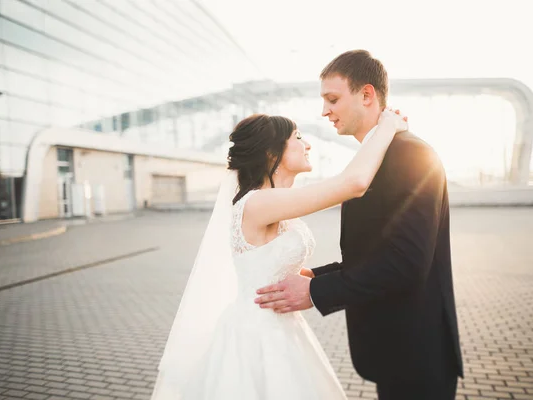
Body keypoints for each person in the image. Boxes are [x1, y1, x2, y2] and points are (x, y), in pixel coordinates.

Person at [150, 108, 408, 399]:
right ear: (272, 154)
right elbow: (354, 183)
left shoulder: (275, 203)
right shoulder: (258, 203)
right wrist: (386, 126)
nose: (308, 144)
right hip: (257, 336)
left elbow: (271, 266)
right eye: (298, 137)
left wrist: (313, 281)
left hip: (282, 327)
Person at [255, 50, 464, 400]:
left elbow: (406, 263)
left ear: (367, 95)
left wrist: (315, 294)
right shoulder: (374, 159)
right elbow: (374, 253)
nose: (325, 111)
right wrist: (314, 276)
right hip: (395, 352)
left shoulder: (411, 155)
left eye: (333, 99)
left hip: (418, 355)